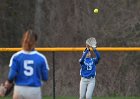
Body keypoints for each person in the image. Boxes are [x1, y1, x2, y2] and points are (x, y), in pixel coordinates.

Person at [4, 29, 49, 99]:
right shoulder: (41, 58)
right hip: (34, 90)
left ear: (23, 40)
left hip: (19, 89)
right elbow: (45, 77)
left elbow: (11, 76)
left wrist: (8, 82)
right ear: (35, 41)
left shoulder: (16, 56)